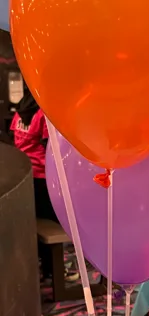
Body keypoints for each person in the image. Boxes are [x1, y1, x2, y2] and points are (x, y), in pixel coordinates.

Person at [11, 85, 78, 282]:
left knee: (36, 221)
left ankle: (46, 267)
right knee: (58, 221)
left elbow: (16, 141)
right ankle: (55, 270)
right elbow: (51, 148)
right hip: (43, 177)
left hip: (25, 176)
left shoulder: (20, 114)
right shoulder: (42, 114)